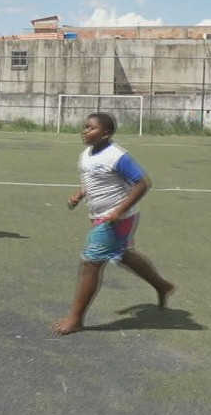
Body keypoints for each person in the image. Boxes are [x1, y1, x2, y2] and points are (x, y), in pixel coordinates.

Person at [53, 113, 175, 336]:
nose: (85, 131)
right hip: (102, 216)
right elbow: (92, 180)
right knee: (123, 255)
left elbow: (142, 183)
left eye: (91, 128)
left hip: (117, 219)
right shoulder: (86, 154)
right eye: (85, 127)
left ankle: (76, 319)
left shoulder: (117, 156)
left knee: (91, 263)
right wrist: (79, 194)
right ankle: (162, 285)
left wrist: (118, 211)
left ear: (106, 133)